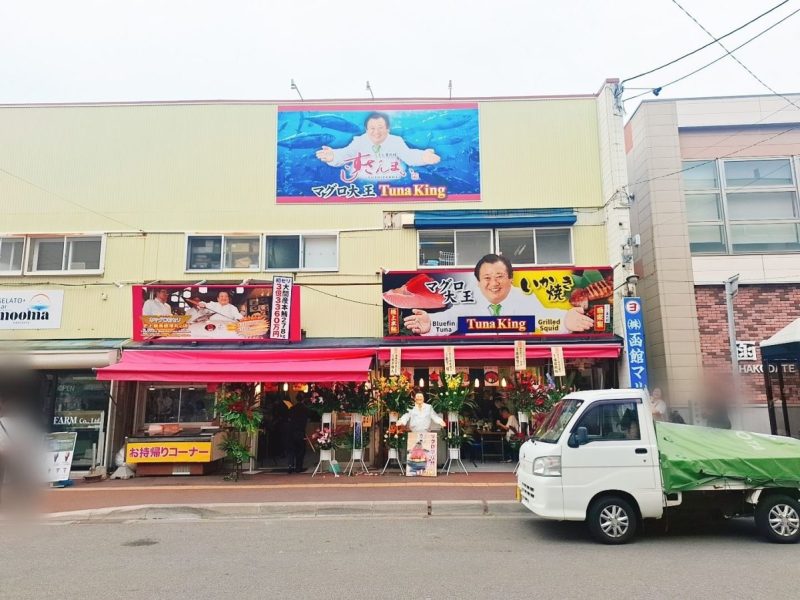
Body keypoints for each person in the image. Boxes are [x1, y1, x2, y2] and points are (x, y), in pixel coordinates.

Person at [403, 254, 595, 336]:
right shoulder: (467, 299)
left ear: (511, 279)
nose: (493, 284)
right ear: (478, 282)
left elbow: (544, 318)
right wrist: (430, 324)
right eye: (486, 278)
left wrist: (566, 320)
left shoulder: (524, 298)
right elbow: (449, 318)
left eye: (499, 277)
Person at [315, 112, 440, 182]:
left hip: (391, 190)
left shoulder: (395, 141)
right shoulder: (360, 141)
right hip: (365, 191)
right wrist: (333, 157)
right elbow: (346, 154)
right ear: (366, 130)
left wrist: (423, 157)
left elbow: (408, 155)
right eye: (372, 128)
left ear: (388, 129)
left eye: (380, 127)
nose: (376, 132)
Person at [283, 393, 310, 473]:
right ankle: (298, 467)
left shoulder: (292, 408)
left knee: (291, 450)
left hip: (291, 431)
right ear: (303, 399)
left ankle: (290, 466)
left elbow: (288, 418)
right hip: (300, 431)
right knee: (300, 450)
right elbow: (308, 419)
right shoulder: (305, 409)